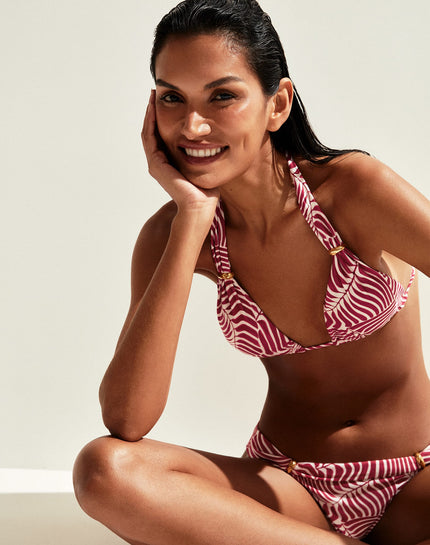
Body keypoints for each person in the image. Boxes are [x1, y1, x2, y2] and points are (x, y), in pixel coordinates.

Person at [72, 1, 430, 543]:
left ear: (277, 103)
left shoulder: (352, 190)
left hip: (419, 480)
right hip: (288, 493)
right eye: (172, 97)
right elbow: (127, 419)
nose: (193, 126)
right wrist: (192, 218)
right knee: (104, 470)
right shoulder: (171, 235)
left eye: (222, 96)